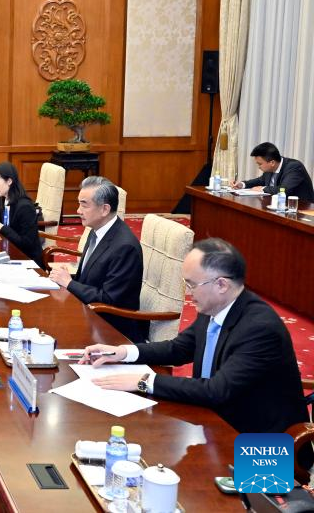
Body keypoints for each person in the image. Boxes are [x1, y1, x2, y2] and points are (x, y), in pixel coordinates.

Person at [84, 238, 307, 435]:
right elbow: (179, 349)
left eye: (192, 285)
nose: (188, 293)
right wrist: (123, 352)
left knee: (185, 477)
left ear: (221, 285)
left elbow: (216, 390)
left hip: (262, 444)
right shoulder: (216, 306)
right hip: (213, 421)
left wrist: (144, 381)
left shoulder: (259, 329)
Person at [49, 176, 145, 343]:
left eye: (84, 204)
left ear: (105, 209)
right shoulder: (96, 231)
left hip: (111, 331)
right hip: (88, 315)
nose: (78, 210)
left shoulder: (124, 247)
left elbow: (110, 301)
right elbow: (88, 279)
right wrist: (68, 278)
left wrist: (70, 283)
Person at [231, 142, 313, 201]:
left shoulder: (294, 167)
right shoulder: (270, 168)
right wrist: (242, 184)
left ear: (272, 163)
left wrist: (263, 189)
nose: (258, 167)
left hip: (301, 209)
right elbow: (261, 180)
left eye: (260, 164)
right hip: (279, 206)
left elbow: (284, 189)